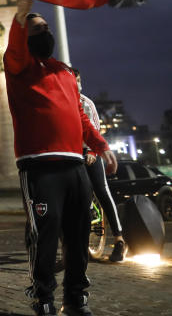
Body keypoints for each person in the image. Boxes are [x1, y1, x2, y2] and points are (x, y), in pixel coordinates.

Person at [4, 0, 116, 316]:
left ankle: (76, 298)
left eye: (46, 28)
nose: (45, 33)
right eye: (37, 29)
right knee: (45, 235)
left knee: (79, 234)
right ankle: (43, 299)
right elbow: (13, 49)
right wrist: (20, 16)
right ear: (25, 37)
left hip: (75, 165)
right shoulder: (19, 67)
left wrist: (101, 146)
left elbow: (80, 116)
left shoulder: (65, 72)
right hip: (39, 167)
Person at [72, 68, 125, 263]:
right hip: (71, 154)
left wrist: (94, 152)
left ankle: (119, 239)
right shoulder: (62, 102)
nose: (75, 84)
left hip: (89, 152)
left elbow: (95, 130)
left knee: (102, 191)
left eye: (77, 80)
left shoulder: (87, 104)